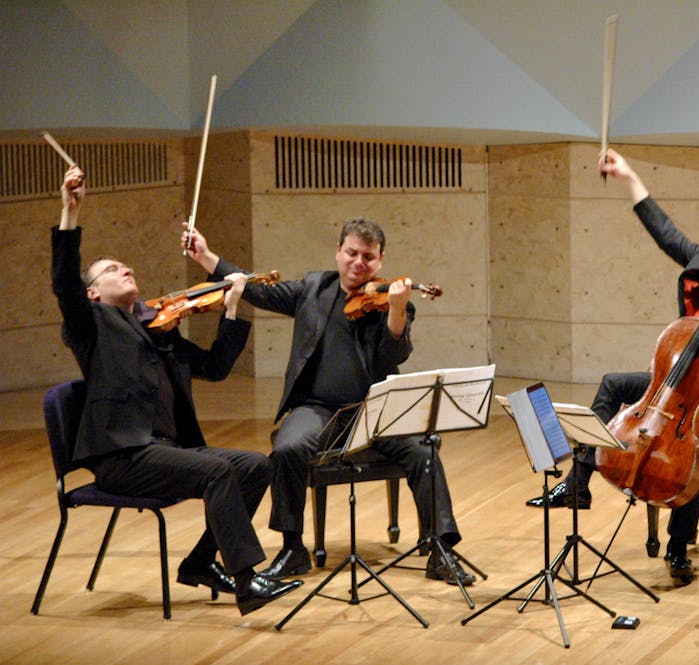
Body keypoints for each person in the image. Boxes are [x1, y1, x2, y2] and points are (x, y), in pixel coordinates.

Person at [526, 148, 699, 585]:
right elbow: (667, 234)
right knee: (614, 384)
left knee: (697, 436)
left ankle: (678, 546)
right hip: (685, 383)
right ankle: (578, 480)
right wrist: (629, 178)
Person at [50, 166, 302, 616]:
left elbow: (216, 368)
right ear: (93, 294)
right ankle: (247, 582)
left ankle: (201, 562)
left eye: (125, 265)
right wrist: (70, 213)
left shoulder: (158, 329)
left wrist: (230, 310)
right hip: (122, 457)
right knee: (218, 474)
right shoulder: (91, 327)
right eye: (111, 270)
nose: (125, 268)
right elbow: (65, 283)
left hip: (165, 449)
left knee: (255, 466)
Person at [183, 218, 474, 586]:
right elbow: (258, 291)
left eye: (368, 257)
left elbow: (395, 355)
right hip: (317, 409)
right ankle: (292, 549)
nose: (358, 263)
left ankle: (440, 550)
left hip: (376, 413)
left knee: (425, 451)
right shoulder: (312, 288)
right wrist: (208, 257)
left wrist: (397, 310)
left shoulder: (391, 302)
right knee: (287, 449)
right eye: (351, 253)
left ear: (380, 260)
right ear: (338, 252)